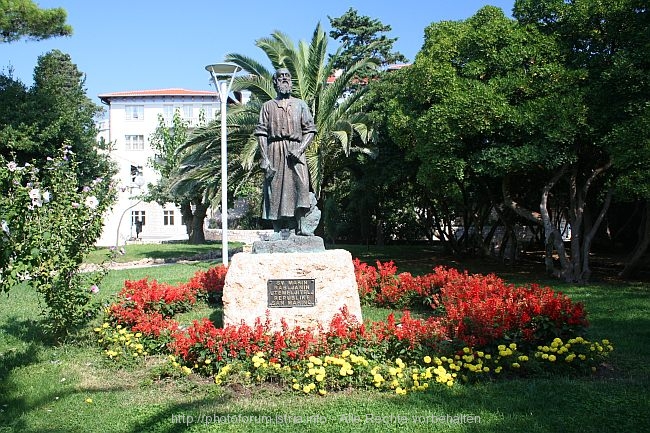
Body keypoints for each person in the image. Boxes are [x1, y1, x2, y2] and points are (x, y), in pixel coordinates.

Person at [254, 68, 317, 236]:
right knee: (274, 189)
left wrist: (300, 149)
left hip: (296, 150)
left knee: (301, 186)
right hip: (274, 150)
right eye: (280, 77)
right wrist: (264, 158)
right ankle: (277, 229)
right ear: (275, 82)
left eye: (287, 76)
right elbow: (261, 133)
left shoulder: (300, 105)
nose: (284, 79)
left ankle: (302, 226)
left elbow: (310, 130)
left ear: (291, 81)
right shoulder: (267, 106)